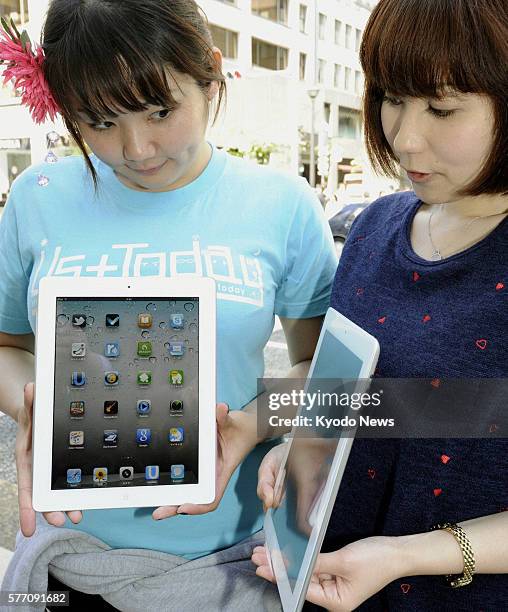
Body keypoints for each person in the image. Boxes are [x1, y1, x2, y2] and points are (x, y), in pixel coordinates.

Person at [0, 1, 337, 610]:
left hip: (235, 558)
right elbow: (6, 349)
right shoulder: (36, 198)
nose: (136, 148)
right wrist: (36, 408)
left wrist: (255, 423)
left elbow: (325, 369)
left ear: (211, 75)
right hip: (72, 559)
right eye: (98, 121)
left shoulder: (282, 203)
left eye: (161, 110)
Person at [253, 0, 508, 610]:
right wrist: (307, 448)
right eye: (393, 97)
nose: (404, 136)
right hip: (328, 579)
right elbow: (349, 395)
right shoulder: (374, 226)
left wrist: (405, 556)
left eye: (443, 108)